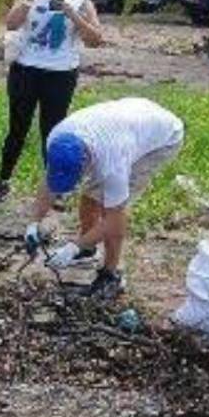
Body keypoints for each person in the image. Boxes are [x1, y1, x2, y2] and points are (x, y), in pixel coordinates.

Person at [23, 97, 184, 299]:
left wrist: (73, 247)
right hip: (131, 118)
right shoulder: (57, 138)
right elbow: (48, 183)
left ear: (86, 161)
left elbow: (116, 222)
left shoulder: (113, 165)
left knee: (110, 207)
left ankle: (111, 275)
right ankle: (87, 250)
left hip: (164, 137)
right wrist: (33, 223)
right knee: (90, 197)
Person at [0, 0, 102, 203]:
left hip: (60, 74)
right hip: (26, 70)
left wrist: (73, 14)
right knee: (17, 128)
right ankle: (3, 179)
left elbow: (96, 39)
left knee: (53, 131)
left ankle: (55, 187)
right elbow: (11, 23)